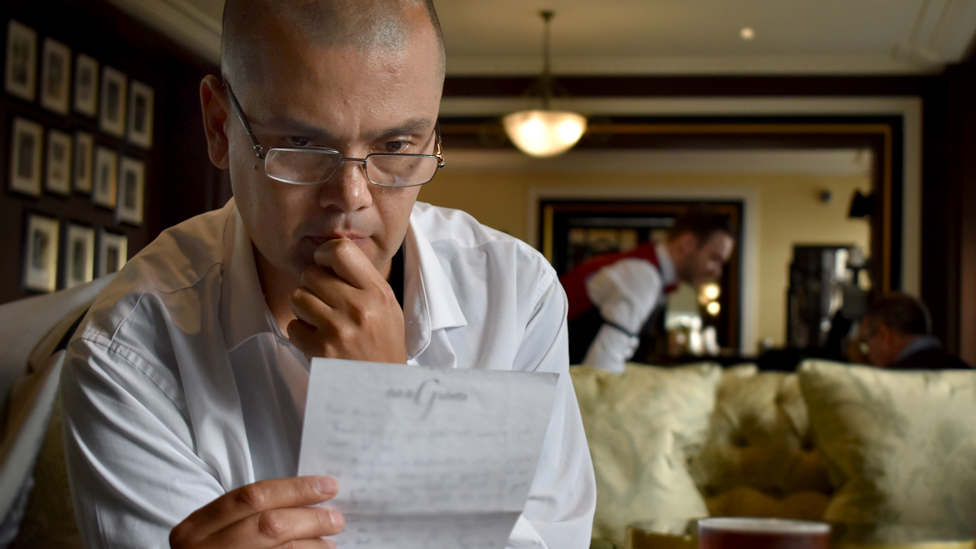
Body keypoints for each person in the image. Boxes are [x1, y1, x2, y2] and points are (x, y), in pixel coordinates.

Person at [58, 1, 596, 547]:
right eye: (302, 145)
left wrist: (395, 410)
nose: (351, 198)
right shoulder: (126, 351)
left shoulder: (517, 295)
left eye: (396, 147)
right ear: (220, 127)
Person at [560, 209, 735, 372]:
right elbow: (602, 366)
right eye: (714, 259)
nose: (717, 272)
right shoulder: (643, 275)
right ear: (687, 243)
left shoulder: (649, 272)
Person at [860, 292, 972, 370]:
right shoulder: (966, 370)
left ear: (883, 334)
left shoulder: (892, 380)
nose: (868, 355)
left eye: (866, 342)